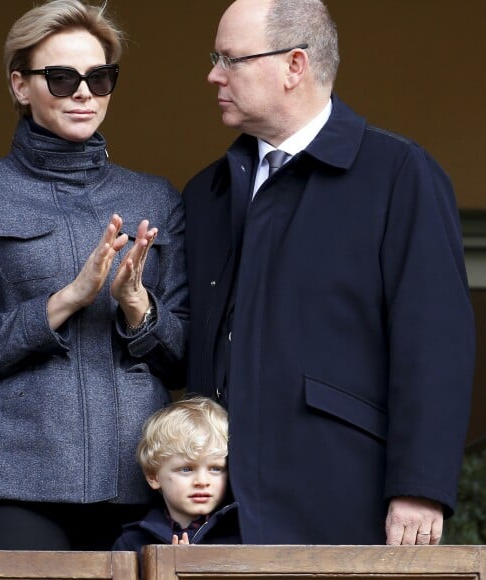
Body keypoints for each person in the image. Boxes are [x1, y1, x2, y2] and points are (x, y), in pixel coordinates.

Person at [182, 0, 475, 546]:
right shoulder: (207, 194)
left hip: (342, 501)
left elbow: (435, 342)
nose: (213, 75)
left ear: (295, 65)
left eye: (230, 59)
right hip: (218, 516)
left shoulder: (398, 175)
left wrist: (419, 486)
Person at [0, 0, 188, 550]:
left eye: (100, 77)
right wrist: (65, 300)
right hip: (14, 474)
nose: (84, 93)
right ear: (21, 86)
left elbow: (184, 353)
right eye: (62, 78)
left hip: (143, 474)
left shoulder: (155, 197)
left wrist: (138, 305)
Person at [112, 395, 240, 555]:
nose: (202, 481)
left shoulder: (241, 536)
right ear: (154, 477)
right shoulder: (132, 544)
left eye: (215, 468)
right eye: (187, 469)